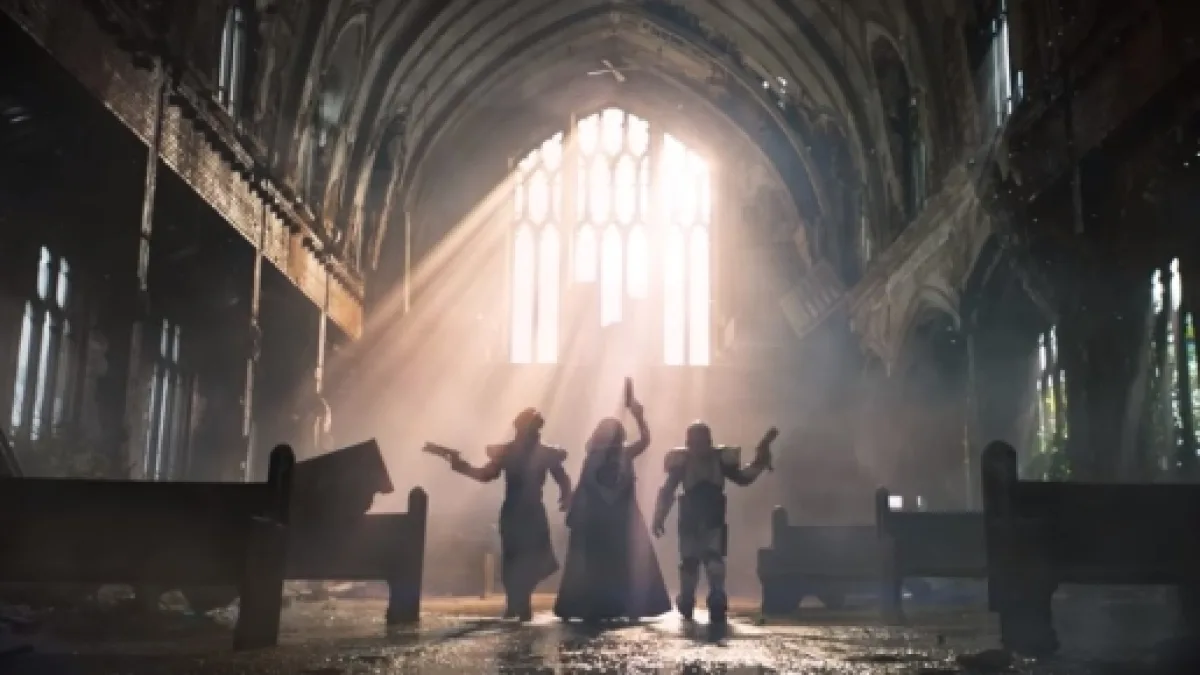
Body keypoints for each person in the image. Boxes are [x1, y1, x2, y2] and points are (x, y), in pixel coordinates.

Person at [444, 408, 572, 621]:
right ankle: (516, 603)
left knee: (531, 559)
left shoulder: (542, 453)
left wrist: (566, 494)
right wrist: (460, 465)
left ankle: (518, 602)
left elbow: (562, 478)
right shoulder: (512, 452)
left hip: (529, 510)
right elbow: (485, 474)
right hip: (516, 511)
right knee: (514, 558)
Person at [554, 398, 671, 623]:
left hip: (620, 518)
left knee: (623, 563)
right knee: (599, 564)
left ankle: (625, 606)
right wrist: (574, 509)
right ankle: (599, 606)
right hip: (602, 519)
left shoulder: (623, 454)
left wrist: (639, 416)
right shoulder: (596, 458)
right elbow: (584, 486)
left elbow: (645, 440)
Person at [651, 422, 775, 625]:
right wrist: (659, 515)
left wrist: (760, 459)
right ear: (688, 443)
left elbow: (743, 478)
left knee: (713, 559)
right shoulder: (683, 462)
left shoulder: (718, 459)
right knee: (691, 560)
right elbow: (668, 490)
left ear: (709, 442)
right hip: (691, 516)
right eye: (695, 443)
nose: (699, 447)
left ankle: (715, 596)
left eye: (702, 442)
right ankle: (689, 598)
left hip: (713, 516)